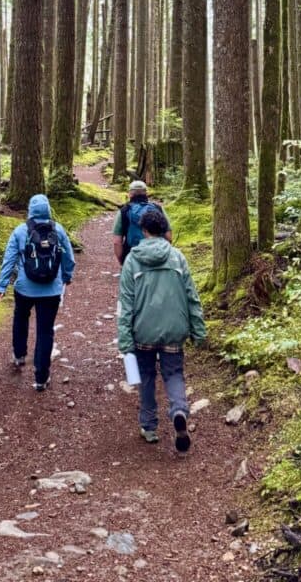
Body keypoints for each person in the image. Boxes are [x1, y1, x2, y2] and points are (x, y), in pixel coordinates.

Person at [117, 206, 206, 451]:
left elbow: (125, 304)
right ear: (164, 229)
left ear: (143, 230)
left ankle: (149, 426)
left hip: (142, 331)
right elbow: (192, 297)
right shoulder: (177, 257)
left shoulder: (132, 260)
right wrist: (198, 330)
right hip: (174, 329)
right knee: (174, 374)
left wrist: (124, 340)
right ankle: (179, 411)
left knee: (146, 376)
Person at [0, 194, 75, 392]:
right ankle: (41, 377)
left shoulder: (20, 231)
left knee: (20, 318)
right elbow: (68, 258)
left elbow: (9, 260)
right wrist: (66, 276)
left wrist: (2, 286)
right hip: (51, 290)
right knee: (45, 330)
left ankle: (19, 355)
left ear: (30, 211)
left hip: (24, 288)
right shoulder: (58, 230)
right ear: (48, 210)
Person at [112, 179, 172, 266]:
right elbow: (168, 237)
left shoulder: (124, 211)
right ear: (146, 193)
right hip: (157, 252)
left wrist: (122, 262)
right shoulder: (158, 208)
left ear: (130, 194)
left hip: (132, 254)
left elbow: (117, 242)